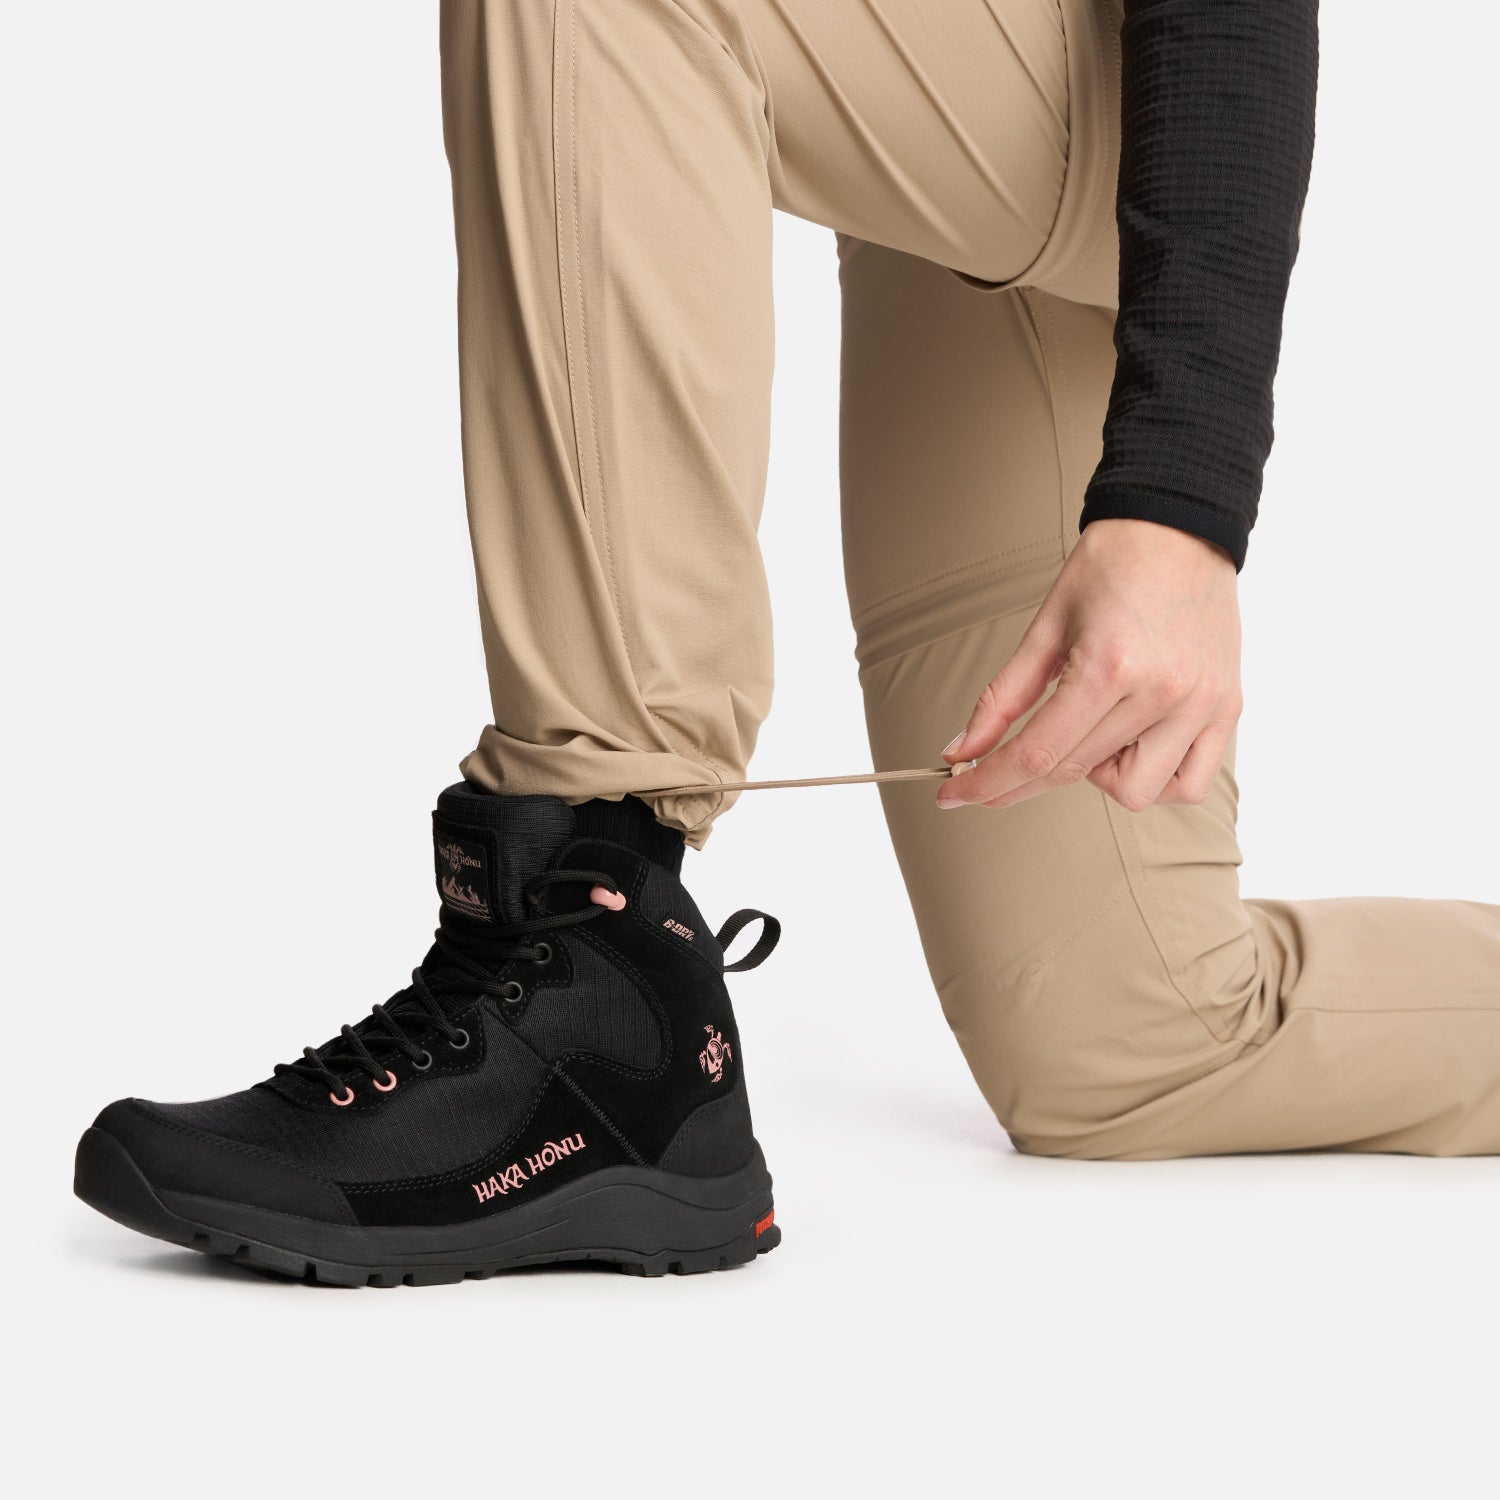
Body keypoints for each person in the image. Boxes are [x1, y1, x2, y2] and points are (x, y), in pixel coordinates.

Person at [74, 0, 1499, 1285]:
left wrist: (1179, 509)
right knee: (1128, 1040)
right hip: (946, 142)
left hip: (1148, 93)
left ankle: (588, 926)